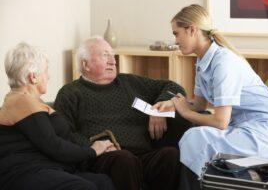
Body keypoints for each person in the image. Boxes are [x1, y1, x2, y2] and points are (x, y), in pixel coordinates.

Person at [153, 4, 268, 179]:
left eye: (176, 34)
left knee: (195, 137)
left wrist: (184, 112)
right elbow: (199, 104)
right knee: (195, 136)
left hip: (263, 134)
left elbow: (220, 122)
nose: (175, 41)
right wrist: (173, 104)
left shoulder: (223, 63)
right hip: (242, 128)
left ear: (192, 30)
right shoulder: (202, 61)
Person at [54, 36, 189, 190]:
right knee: (125, 159)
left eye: (113, 55)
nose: (113, 61)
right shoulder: (70, 93)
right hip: (104, 157)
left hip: (142, 155)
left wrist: (158, 109)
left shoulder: (128, 82)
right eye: (105, 55)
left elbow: (173, 87)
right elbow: (62, 132)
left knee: (170, 155)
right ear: (85, 64)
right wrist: (92, 146)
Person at [0, 42, 115, 190]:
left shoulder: (30, 101)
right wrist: (93, 150)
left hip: (47, 168)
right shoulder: (21, 101)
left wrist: (99, 147)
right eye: (46, 71)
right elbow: (54, 146)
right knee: (84, 187)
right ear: (33, 77)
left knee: (103, 182)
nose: (48, 77)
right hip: (24, 171)